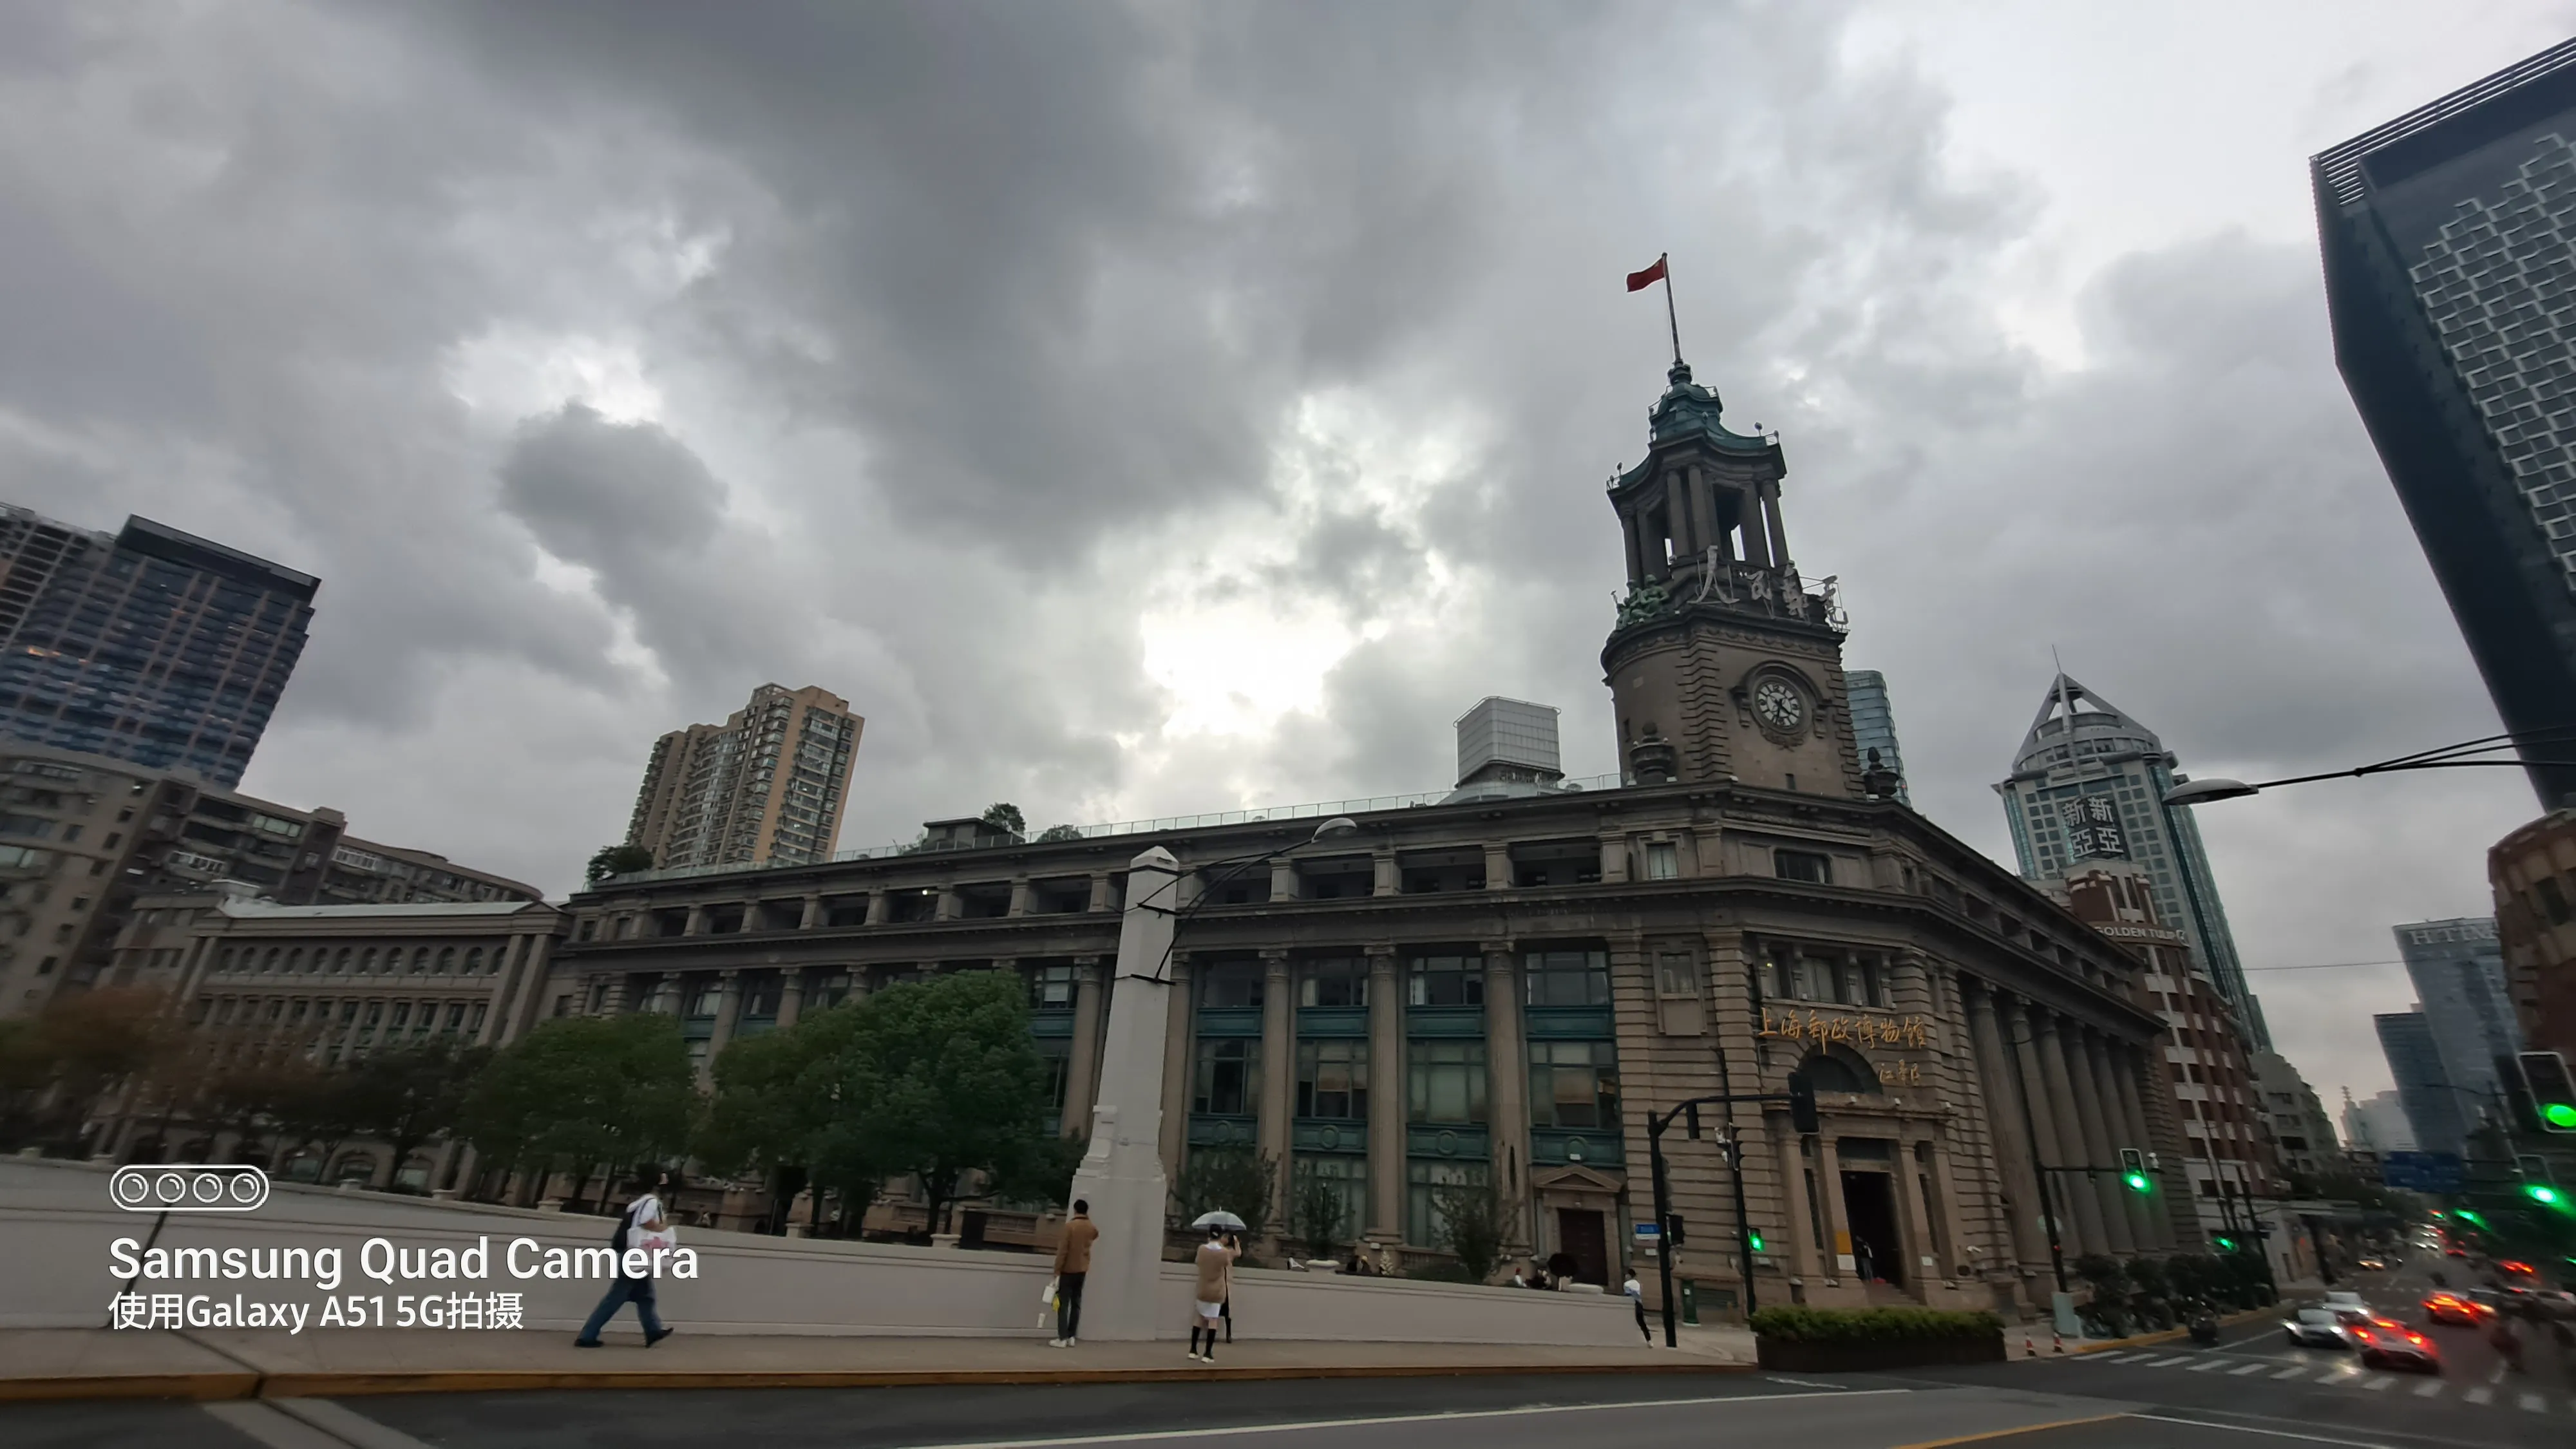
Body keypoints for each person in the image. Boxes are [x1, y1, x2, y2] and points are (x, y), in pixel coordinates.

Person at [574, 1168, 676, 1349]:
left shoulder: (638, 1203)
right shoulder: (652, 1202)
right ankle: (587, 1336)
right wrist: (664, 1229)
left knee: (646, 1297)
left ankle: (653, 1331)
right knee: (615, 1298)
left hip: (630, 1254)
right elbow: (646, 1221)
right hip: (635, 1257)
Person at [1048, 1198, 1098, 1348]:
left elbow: (1063, 1251)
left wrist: (1057, 1270)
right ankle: (1071, 1336)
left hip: (1068, 1269)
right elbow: (1095, 1235)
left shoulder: (1070, 1227)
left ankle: (1062, 1337)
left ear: (1075, 1210)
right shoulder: (1091, 1227)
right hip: (1082, 1269)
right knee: (1076, 1303)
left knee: (1063, 1304)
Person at [1188, 1226, 1238, 1363]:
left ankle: (1193, 1350)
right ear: (1220, 1236)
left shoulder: (1202, 1249)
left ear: (1208, 1235)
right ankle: (1207, 1354)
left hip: (1203, 1288)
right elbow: (1227, 1264)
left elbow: (1198, 1262)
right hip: (1217, 1290)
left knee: (1199, 1317)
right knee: (1213, 1320)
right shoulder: (1224, 1253)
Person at [1624, 1269, 1650, 1343]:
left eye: (1626, 1275)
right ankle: (1648, 1339)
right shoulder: (1638, 1283)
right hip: (1639, 1304)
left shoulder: (1627, 1284)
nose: (1625, 1276)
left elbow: (1628, 1295)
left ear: (1629, 1276)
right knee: (1642, 1323)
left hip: (1631, 1304)